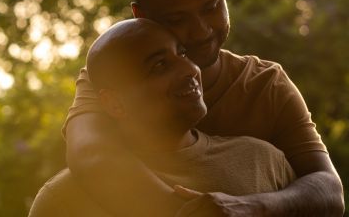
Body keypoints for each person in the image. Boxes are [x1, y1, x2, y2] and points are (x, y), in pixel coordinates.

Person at [65, 0, 344, 216]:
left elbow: (329, 189)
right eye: (176, 19)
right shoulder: (114, 80)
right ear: (141, 15)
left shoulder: (266, 84)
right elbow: (91, 155)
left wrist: (249, 206)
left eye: (211, 7)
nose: (201, 31)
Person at [29, 19, 295, 217]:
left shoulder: (264, 162)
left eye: (182, 53)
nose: (190, 69)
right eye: (159, 66)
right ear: (114, 103)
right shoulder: (64, 200)